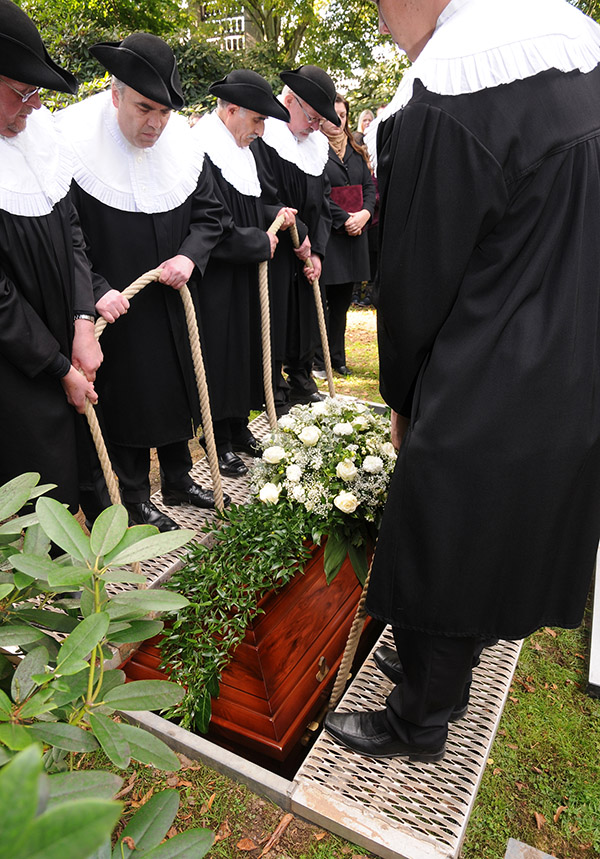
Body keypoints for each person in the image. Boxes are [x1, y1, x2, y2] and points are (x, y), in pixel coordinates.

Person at [325, 0, 600, 762]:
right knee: (496, 522)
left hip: (488, 356)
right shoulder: (576, 53)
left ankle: (419, 717)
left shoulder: (449, 101)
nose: (380, 21)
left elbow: (416, 282)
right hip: (570, 344)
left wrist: (405, 397)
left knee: (443, 528)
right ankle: (442, 657)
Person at [57, 34, 229, 531]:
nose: (154, 123)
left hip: (174, 301)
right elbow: (67, 238)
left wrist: (190, 257)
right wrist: (94, 289)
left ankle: (178, 476)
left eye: (165, 112)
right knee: (129, 399)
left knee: (177, 388)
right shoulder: (72, 147)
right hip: (118, 306)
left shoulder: (183, 149)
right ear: (115, 95)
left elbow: (210, 216)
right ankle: (133, 495)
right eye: (143, 108)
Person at [0, 0, 101, 511]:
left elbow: (73, 234)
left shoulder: (40, 136)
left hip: (65, 348)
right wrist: (58, 365)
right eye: (23, 91)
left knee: (74, 484)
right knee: (32, 501)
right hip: (16, 372)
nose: (36, 104)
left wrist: (84, 321)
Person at [191, 70, 296, 477]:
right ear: (231, 110)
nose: (261, 129)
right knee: (220, 355)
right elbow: (211, 222)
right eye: (256, 119)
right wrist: (257, 243)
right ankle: (216, 438)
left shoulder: (242, 150)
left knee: (245, 349)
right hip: (216, 278)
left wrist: (275, 215)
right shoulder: (202, 149)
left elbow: (251, 207)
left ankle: (236, 429)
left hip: (244, 273)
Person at [251, 65, 338, 414]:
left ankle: (302, 378)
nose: (317, 127)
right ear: (289, 101)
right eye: (313, 118)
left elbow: (325, 204)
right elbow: (262, 196)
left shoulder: (317, 147)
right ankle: (275, 388)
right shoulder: (266, 140)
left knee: (305, 317)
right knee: (276, 317)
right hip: (276, 249)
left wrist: (316, 250)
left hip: (305, 253)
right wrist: (296, 233)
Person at [314, 94, 375, 378]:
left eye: (343, 114)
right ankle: (318, 358)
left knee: (342, 302)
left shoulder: (356, 148)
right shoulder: (313, 149)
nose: (338, 120)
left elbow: (370, 189)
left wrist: (364, 214)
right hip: (329, 234)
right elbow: (319, 195)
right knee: (322, 301)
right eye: (332, 114)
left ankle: (338, 356)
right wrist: (345, 218)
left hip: (355, 234)